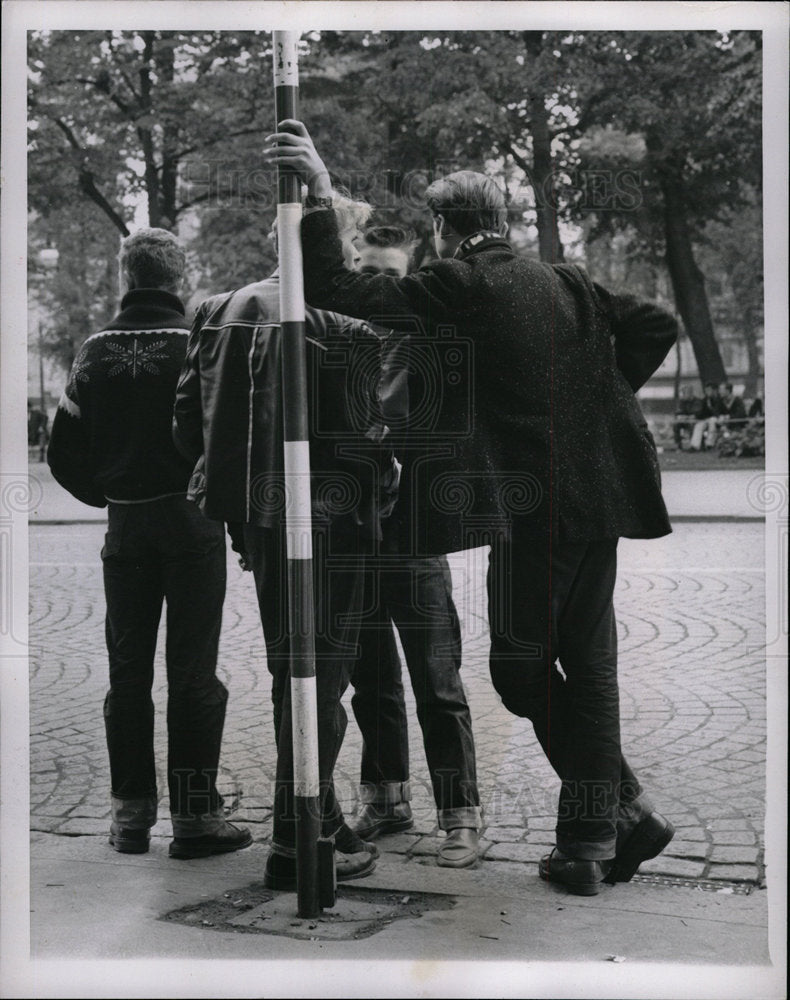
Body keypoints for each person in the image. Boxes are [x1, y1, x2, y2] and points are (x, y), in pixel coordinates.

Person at [262, 121, 680, 896]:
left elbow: (340, 291)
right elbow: (658, 322)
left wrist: (320, 195)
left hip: (536, 506)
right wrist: (596, 398)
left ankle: (607, 820)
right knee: (589, 665)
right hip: (606, 497)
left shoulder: (462, 283)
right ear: (506, 223)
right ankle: (602, 827)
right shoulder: (570, 281)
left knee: (521, 669)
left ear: (448, 232)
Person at [173, 195, 395, 890]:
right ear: (337, 242)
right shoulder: (349, 321)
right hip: (334, 525)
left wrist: (239, 501)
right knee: (319, 675)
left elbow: (188, 428)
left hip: (258, 522)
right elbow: (375, 437)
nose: (355, 257)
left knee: (292, 669)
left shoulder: (217, 309)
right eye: (352, 242)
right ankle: (296, 833)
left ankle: (318, 816)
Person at [47, 228, 251, 859]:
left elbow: (62, 451)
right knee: (194, 674)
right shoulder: (197, 343)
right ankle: (195, 820)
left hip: (127, 528)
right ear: (179, 276)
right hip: (191, 526)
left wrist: (107, 497)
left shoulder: (93, 353)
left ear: (125, 276)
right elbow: (228, 437)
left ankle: (129, 819)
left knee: (127, 675)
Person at [349, 225, 482, 867]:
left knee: (437, 679)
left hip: (413, 534)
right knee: (370, 680)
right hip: (353, 535)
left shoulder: (427, 345)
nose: (379, 285)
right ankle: (387, 800)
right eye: (367, 271)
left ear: (408, 277)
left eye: (390, 275)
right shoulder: (337, 342)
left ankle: (460, 817)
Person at [688, 381, 722, 451]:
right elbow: (702, 413)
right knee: (699, 425)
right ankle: (695, 446)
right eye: (706, 390)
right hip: (706, 419)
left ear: (714, 390)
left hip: (717, 419)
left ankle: (709, 444)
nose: (707, 392)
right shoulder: (705, 400)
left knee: (712, 421)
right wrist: (696, 416)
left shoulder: (720, 399)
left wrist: (711, 408)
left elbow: (718, 413)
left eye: (709, 390)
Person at [673, 384, 702, 450]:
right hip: (685, 421)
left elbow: (696, 414)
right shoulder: (682, 401)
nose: (682, 395)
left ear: (690, 393)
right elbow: (678, 412)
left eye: (684, 393)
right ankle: (678, 445)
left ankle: (693, 445)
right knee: (676, 425)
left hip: (696, 421)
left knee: (692, 425)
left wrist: (684, 417)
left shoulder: (697, 401)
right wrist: (681, 416)